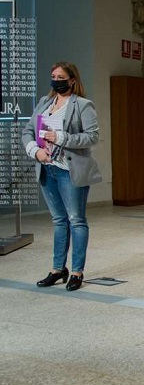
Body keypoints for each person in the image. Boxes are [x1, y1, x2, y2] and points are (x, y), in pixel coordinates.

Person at [21, 62, 102, 291]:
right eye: (53, 75)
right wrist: (34, 151)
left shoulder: (83, 105)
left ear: (72, 80)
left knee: (76, 220)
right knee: (58, 220)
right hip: (47, 169)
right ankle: (58, 269)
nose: (56, 80)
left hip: (70, 170)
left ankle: (77, 271)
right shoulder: (44, 103)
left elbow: (91, 138)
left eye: (61, 76)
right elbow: (28, 131)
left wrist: (60, 137)